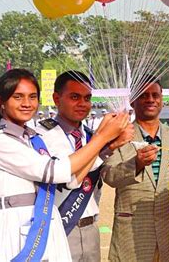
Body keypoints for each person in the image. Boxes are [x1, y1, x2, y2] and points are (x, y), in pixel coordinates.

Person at [0, 68, 130, 262]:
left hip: (41, 223)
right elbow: (57, 171)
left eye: (32, 97)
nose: (27, 103)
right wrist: (102, 137)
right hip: (13, 226)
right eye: (18, 97)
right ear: (1, 101)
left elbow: (72, 180)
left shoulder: (29, 138)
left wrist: (106, 146)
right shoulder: (2, 140)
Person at [37, 70, 134, 262]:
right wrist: (105, 140)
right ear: (57, 98)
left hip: (91, 229)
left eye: (87, 98)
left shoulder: (90, 136)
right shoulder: (42, 135)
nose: (83, 104)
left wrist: (112, 145)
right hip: (60, 226)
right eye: (74, 97)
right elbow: (70, 178)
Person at [103, 77, 169, 262]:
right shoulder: (117, 137)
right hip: (132, 232)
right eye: (144, 95)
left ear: (162, 99)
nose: (150, 99)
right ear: (132, 101)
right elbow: (109, 176)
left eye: (155, 95)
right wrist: (135, 164)